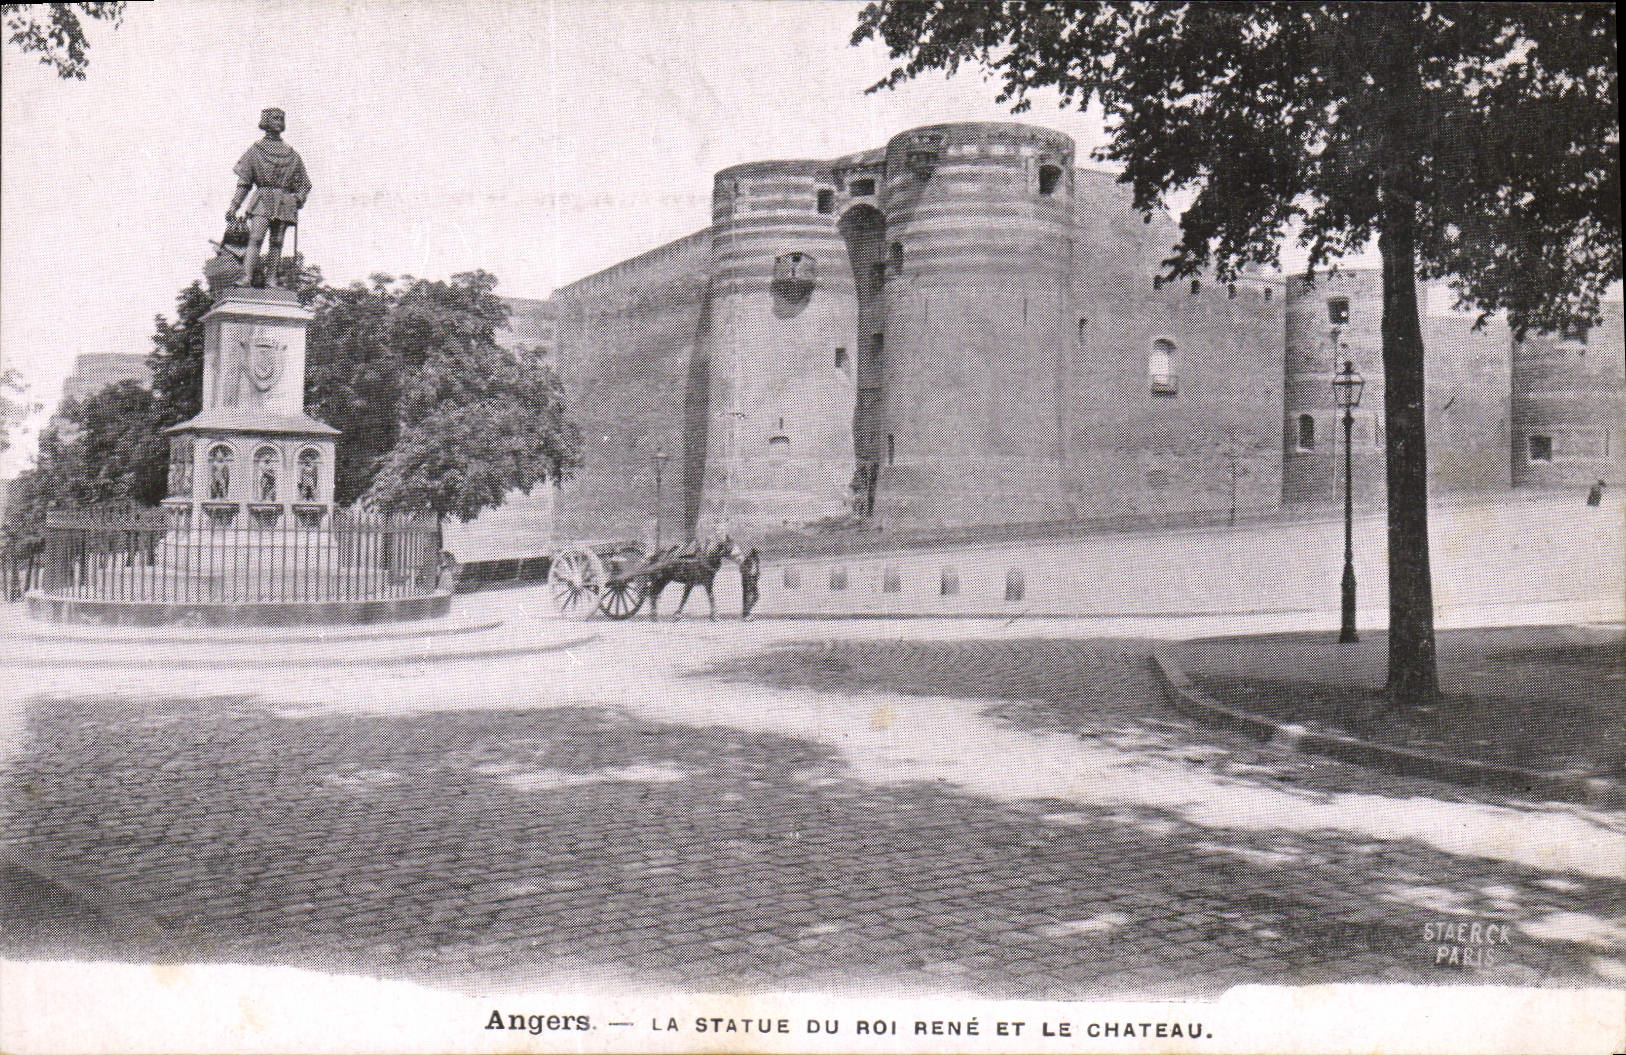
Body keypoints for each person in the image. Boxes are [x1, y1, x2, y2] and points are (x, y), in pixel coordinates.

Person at [226, 107, 311, 288]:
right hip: (263, 198)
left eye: (281, 118)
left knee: (277, 241)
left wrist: (299, 197)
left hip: (285, 202)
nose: (279, 121)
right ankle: (246, 276)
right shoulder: (255, 150)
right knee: (256, 237)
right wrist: (234, 205)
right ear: (265, 122)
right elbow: (244, 182)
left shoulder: (292, 154)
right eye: (274, 118)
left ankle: (271, 278)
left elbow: (305, 183)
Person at [739, 547, 761, 621]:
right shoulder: (748, 560)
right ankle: (746, 615)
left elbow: (756, 570)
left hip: (753, 580)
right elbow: (742, 570)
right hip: (747, 581)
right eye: (757, 553)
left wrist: (756, 576)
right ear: (754, 553)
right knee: (748, 597)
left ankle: (746, 613)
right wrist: (748, 577)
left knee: (755, 596)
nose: (758, 555)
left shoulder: (756, 560)